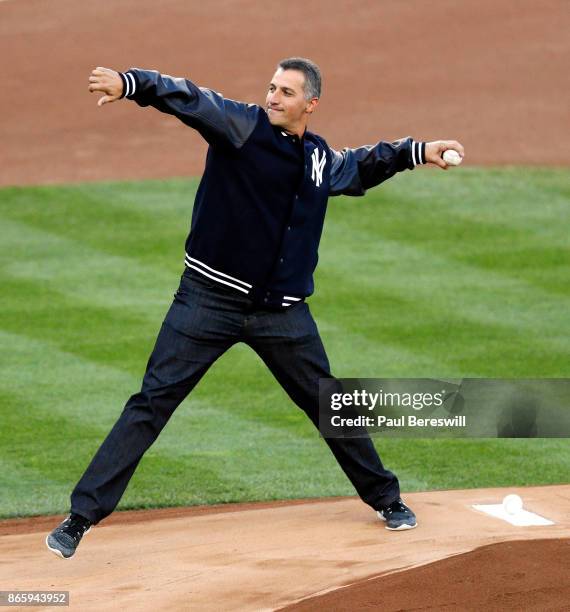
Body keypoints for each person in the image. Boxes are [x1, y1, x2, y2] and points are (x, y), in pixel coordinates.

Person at [46, 58, 464, 559]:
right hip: (207, 302)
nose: (272, 97)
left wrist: (418, 152)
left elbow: (360, 166)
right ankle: (80, 518)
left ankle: (386, 498)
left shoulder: (316, 157)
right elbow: (188, 97)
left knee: (330, 404)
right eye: (271, 87)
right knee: (151, 403)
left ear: (310, 103)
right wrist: (132, 84)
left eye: (286, 92)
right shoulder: (240, 127)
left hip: (281, 315)